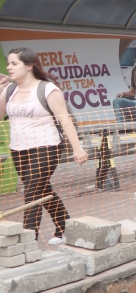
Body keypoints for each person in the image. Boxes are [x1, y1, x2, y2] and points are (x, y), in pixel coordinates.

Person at [0, 48, 88, 244]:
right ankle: (66, 227)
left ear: (29, 66)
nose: (9, 68)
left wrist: (77, 148)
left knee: (31, 192)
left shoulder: (48, 89)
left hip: (46, 147)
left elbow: (65, 120)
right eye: (8, 63)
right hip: (19, 149)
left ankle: (28, 240)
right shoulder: (9, 90)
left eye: (14, 63)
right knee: (41, 190)